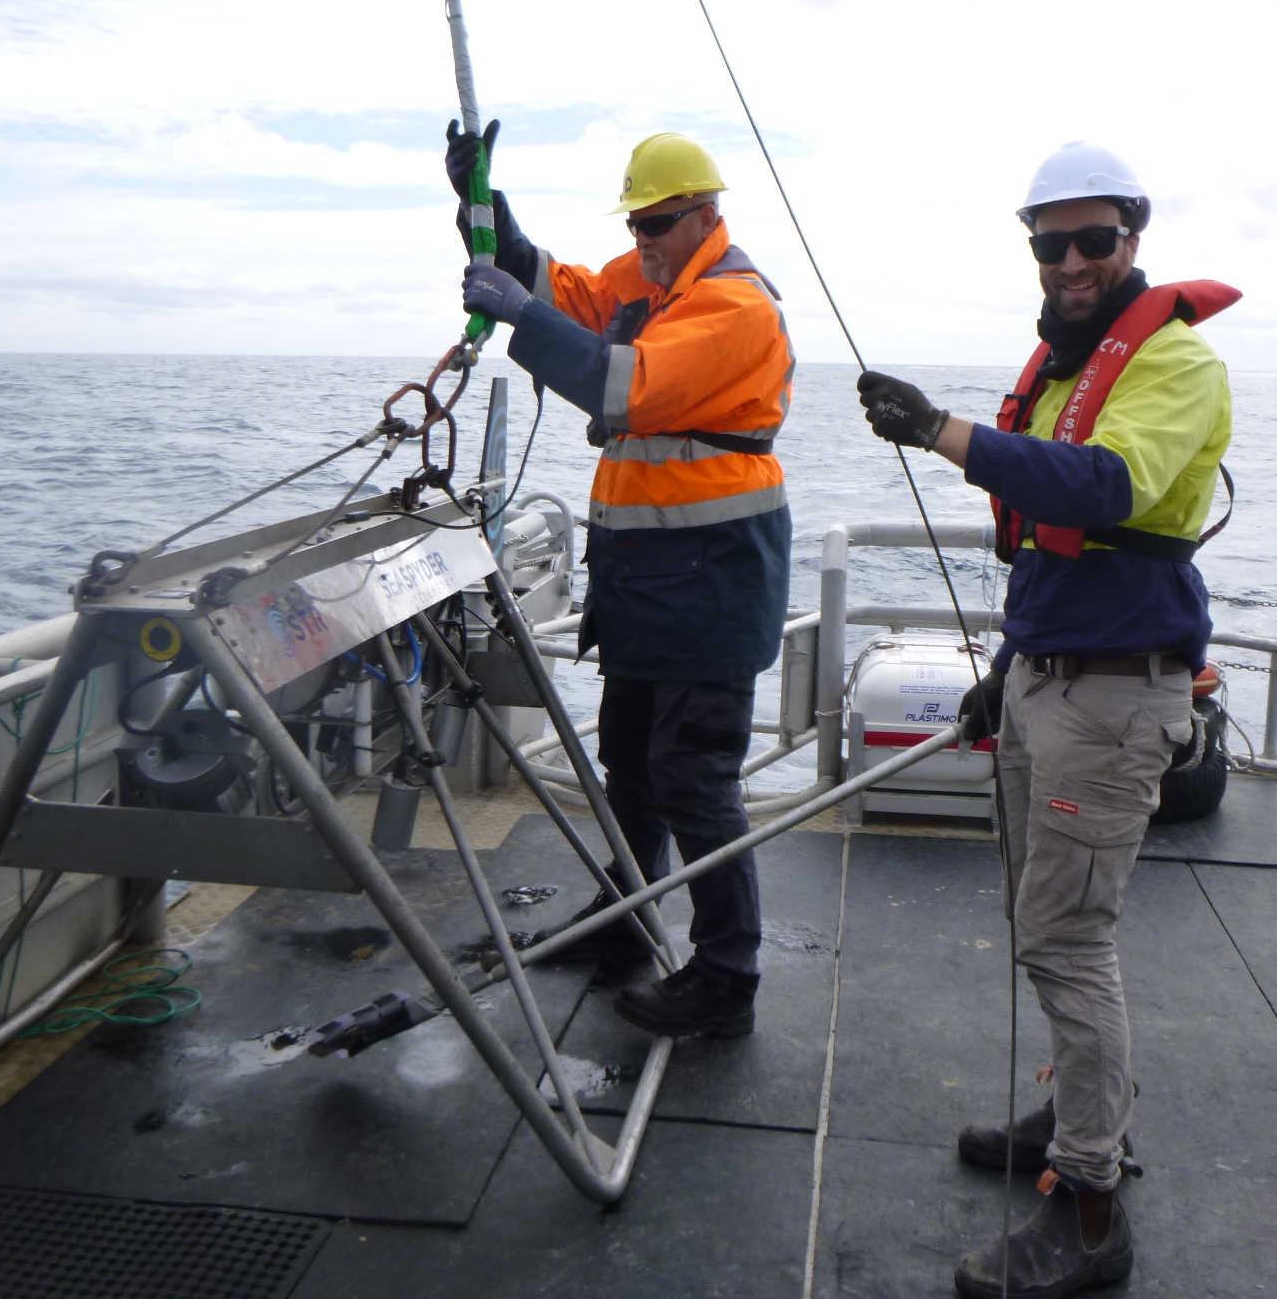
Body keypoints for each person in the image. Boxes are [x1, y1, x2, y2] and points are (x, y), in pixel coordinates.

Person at [855, 141, 1236, 1299]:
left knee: (1068, 940)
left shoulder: (1173, 365)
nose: (1068, 261)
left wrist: (939, 431)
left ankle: (1086, 1211)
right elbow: (1051, 555)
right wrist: (1008, 664)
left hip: (1113, 699)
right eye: (1047, 241)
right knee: (1045, 922)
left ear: (1133, 239)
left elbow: (1099, 493)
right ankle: (1075, 1115)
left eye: (1091, 240)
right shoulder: (1071, 369)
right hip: (1047, 680)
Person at [445, 122, 794, 1039]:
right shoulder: (651, 283)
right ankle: (624, 925)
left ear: (707, 214)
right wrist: (482, 205)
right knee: (633, 766)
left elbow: (616, 386)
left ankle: (727, 977)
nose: (642, 238)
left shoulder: (734, 307)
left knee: (696, 777)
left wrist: (518, 316)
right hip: (648, 575)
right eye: (637, 221)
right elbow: (554, 285)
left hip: (713, 577)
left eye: (660, 222)